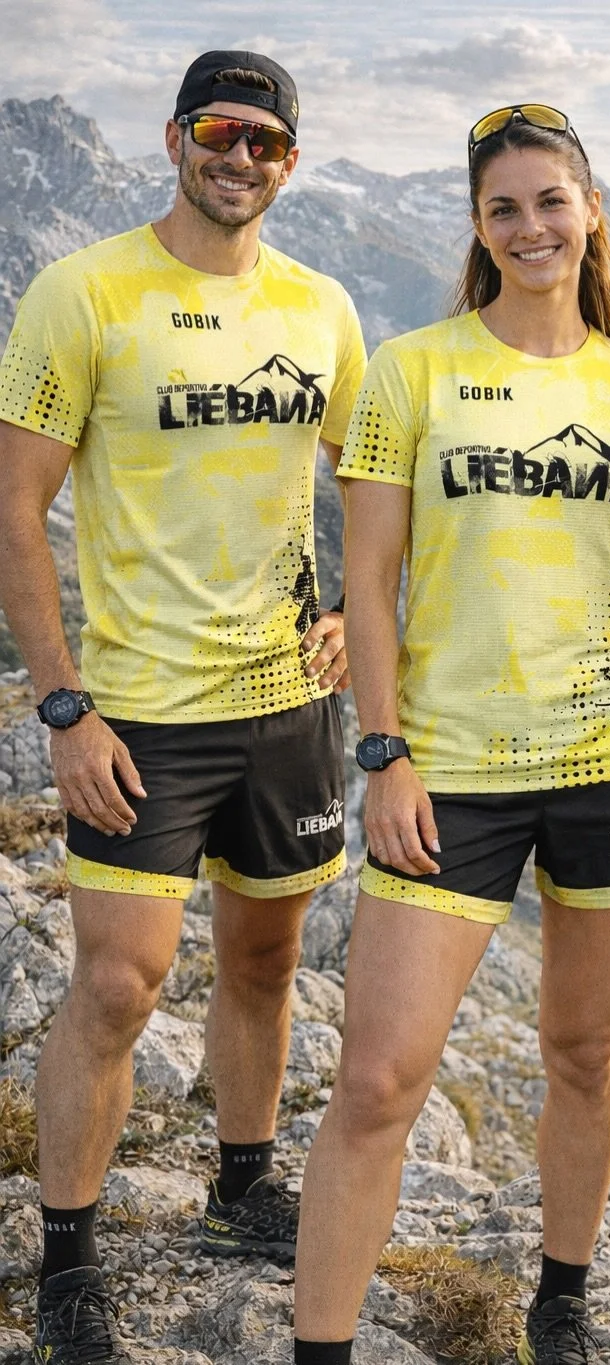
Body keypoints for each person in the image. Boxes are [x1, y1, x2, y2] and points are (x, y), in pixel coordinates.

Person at [291, 104, 610, 1365]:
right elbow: (368, 585)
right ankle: (320, 1347)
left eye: (550, 201)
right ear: (478, 229)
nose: (531, 228)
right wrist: (381, 753)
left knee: (583, 1053)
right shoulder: (411, 369)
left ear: (590, 212)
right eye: (503, 209)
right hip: (450, 772)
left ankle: (562, 1306)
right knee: (378, 1081)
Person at [0, 49, 366, 1365]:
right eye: (220, 131)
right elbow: (15, 508)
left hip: (289, 704)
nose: (241, 157)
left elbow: (371, 480)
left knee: (266, 963)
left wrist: (353, 611)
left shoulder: (322, 307)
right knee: (117, 983)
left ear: (289, 163)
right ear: (174, 139)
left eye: (266, 141)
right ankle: (69, 1261)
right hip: (141, 710)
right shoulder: (83, 292)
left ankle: (239, 1186)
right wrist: (64, 706)